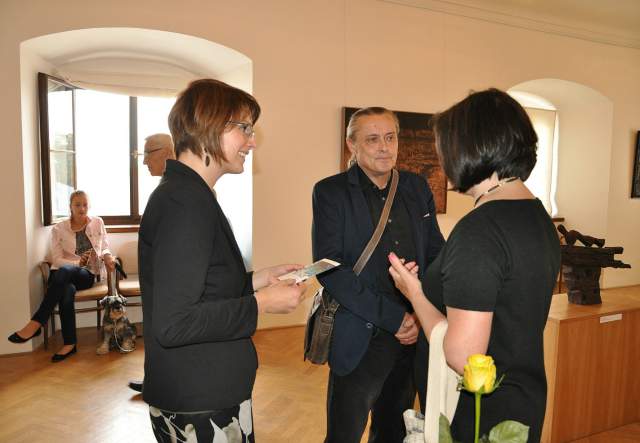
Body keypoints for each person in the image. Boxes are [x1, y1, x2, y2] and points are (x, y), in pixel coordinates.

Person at [388, 88, 560, 443]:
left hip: (479, 416)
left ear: (472, 148)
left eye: (446, 150)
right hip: (522, 398)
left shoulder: (480, 231)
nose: (443, 161)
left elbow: (464, 356)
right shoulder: (536, 214)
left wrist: (415, 293)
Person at [139, 78, 307, 443]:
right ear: (208, 126)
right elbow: (175, 323)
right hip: (199, 396)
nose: (252, 141)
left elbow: (203, 287)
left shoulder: (190, 195)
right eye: (244, 128)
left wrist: (257, 279)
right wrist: (262, 303)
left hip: (206, 390)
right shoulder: (184, 203)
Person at [312, 107, 445, 443]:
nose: (385, 147)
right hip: (361, 331)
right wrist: (395, 318)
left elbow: (436, 254)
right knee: (344, 433)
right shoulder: (330, 192)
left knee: (394, 431)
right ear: (351, 145)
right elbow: (329, 269)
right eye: (372, 139)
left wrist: (421, 311)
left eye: (390, 137)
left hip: (412, 333)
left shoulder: (416, 187)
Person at [8, 190, 116, 362]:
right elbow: (57, 259)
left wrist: (108, 256)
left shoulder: (97, 222)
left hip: (86, 274)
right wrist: (77, 262)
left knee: (64, 273)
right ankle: (70, 344)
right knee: (66, 290)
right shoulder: (59, 229)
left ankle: (37, 322)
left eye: (85, 204)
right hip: (63, 273)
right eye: (77, 205)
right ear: (70, 207)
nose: (82, 208)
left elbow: (104, 247)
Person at [128, 132, 175, 393]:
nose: (144, 161)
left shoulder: (176, 190)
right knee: (152, 331)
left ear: (167, 153)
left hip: (165, 281)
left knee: (160, 333)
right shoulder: (165, 187)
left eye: (148, 154)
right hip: (155, 279)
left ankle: (159, 384)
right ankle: (154, 380)